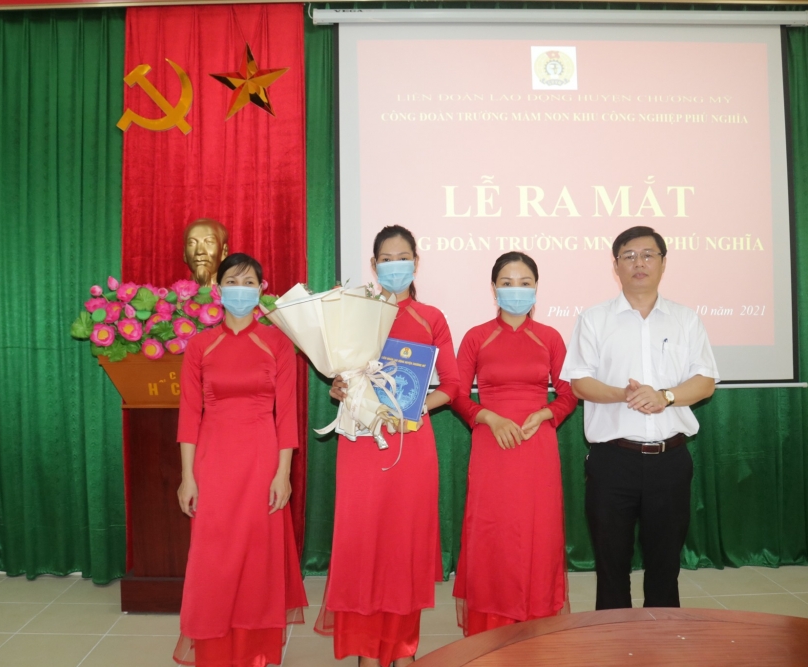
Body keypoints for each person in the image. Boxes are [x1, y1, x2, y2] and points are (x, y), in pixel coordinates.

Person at [315, 225, 460, 667]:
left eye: (403, 258)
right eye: (386, 259)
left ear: (416, 262)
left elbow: (452, 385)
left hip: (410, 445)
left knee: (403, 546)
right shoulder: (355, 314)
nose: (395, 266)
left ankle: (401, 648)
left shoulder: (431, 317)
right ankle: (365, 650)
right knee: (362, 545)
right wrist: (339, 388)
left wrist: (415, 409)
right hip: (361, 443)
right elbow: (341, 375)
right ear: (374, 265)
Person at [560, 226, 719, 610]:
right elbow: (579, 382)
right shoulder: (594, 319)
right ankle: (613, 639)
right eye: (629, 256)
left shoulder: (685, 319)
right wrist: (625, 394)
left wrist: (665, 396)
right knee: (611, 568)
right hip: (613, 461)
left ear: (663, 262)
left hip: (670, 461)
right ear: (616, 266)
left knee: (665, 567)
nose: (639, 263)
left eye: (648, 255)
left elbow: (705, 382)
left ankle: (661, 640)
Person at [174, 253, 307, 667]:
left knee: (257, 560)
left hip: (262, 462)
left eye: (249, 282)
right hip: (213, 463)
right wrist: (187, 477)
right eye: (232, 281)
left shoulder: (277, 343)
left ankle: (255, 655)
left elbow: (287, 415)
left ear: (262, 290)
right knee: (212, 560)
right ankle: (214, 653)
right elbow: (189, 414)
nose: (241, 289)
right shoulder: (200, 345)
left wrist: (283, 474)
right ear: (218, 288)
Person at [450, 251, 577, 635]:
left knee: (539, 534)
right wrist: (488, 417)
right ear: (494, 288)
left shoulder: (550, 337)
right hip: (492, 447)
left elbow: (569, 393)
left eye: (525, 283)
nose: (516, 290)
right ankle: (492, 629)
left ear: (536, 288)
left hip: (537, 447)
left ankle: (536, 626)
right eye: (507, 283)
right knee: (494, 533)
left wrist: (546, 413)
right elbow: (457, 394)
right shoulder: (476, 336)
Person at [184, 218, 230, 286]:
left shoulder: (233, 292)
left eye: (209, 242)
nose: (199, 251)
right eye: (192, 243)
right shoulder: (171, 292)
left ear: (224, 252)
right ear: (184, 253)